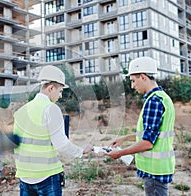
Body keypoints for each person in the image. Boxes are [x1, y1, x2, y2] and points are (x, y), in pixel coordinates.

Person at [13, 65, 93, 196]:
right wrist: (81, 151)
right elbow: (61, 145)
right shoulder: (51, 109)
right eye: (60, 91)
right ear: (51, 88)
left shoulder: (21, 112)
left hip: (25, 177)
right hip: (46, 177)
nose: (60, 96)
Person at [105, 57, 175, 196]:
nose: (132, 86)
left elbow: (148, 143)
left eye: (133, 81)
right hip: (159, 169)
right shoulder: (162, 97)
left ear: (143, 77)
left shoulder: (154, 101)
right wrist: (125, 138)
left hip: (154, 172)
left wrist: (120, 153)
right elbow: (154, 133)